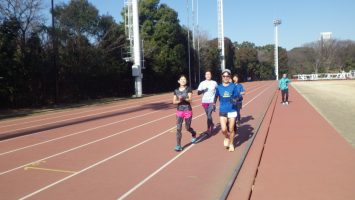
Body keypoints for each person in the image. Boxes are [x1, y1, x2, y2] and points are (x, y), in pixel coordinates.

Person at [214, 69, 241, 152]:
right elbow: (216, 96)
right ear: (222, 77)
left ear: (230, 77)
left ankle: (231, 144)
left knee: (231, 129)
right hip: (223, 110)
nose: (226, 77)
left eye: (227, 76)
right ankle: (226, 137)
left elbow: (239, 96)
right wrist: (214, 104)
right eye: (224, 76)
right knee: (223, 129)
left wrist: (236, 99)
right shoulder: (219, 87)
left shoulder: (233, 86)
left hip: (232, 110)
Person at [173, 75, 197, 151]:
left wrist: (184, 98)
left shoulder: (188, 89)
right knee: (178, 128)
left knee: (187, 127)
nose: (183, 80)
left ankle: (193, 133)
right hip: (179, 110)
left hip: (187, 110)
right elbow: (174, 102)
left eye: (184, 79)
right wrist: (179, 101)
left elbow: (190, 100)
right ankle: (178, 145)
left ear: (186, 81)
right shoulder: (176, 90)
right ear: (178, 81)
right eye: (181, 79)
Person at [197, 70, 218, 136]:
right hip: (204, 102)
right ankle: (212, 124)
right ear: (205, 76)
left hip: (211, 101)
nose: (208, 75)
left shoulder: (214, 83)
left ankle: (208, 129)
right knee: (208, 115)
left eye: (209, 74)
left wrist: (215, 102)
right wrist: (203, 90)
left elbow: (217, 91)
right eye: (207, 74)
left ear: (211, 75)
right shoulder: (202, 83)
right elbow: (198, 93)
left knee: (209, 115)